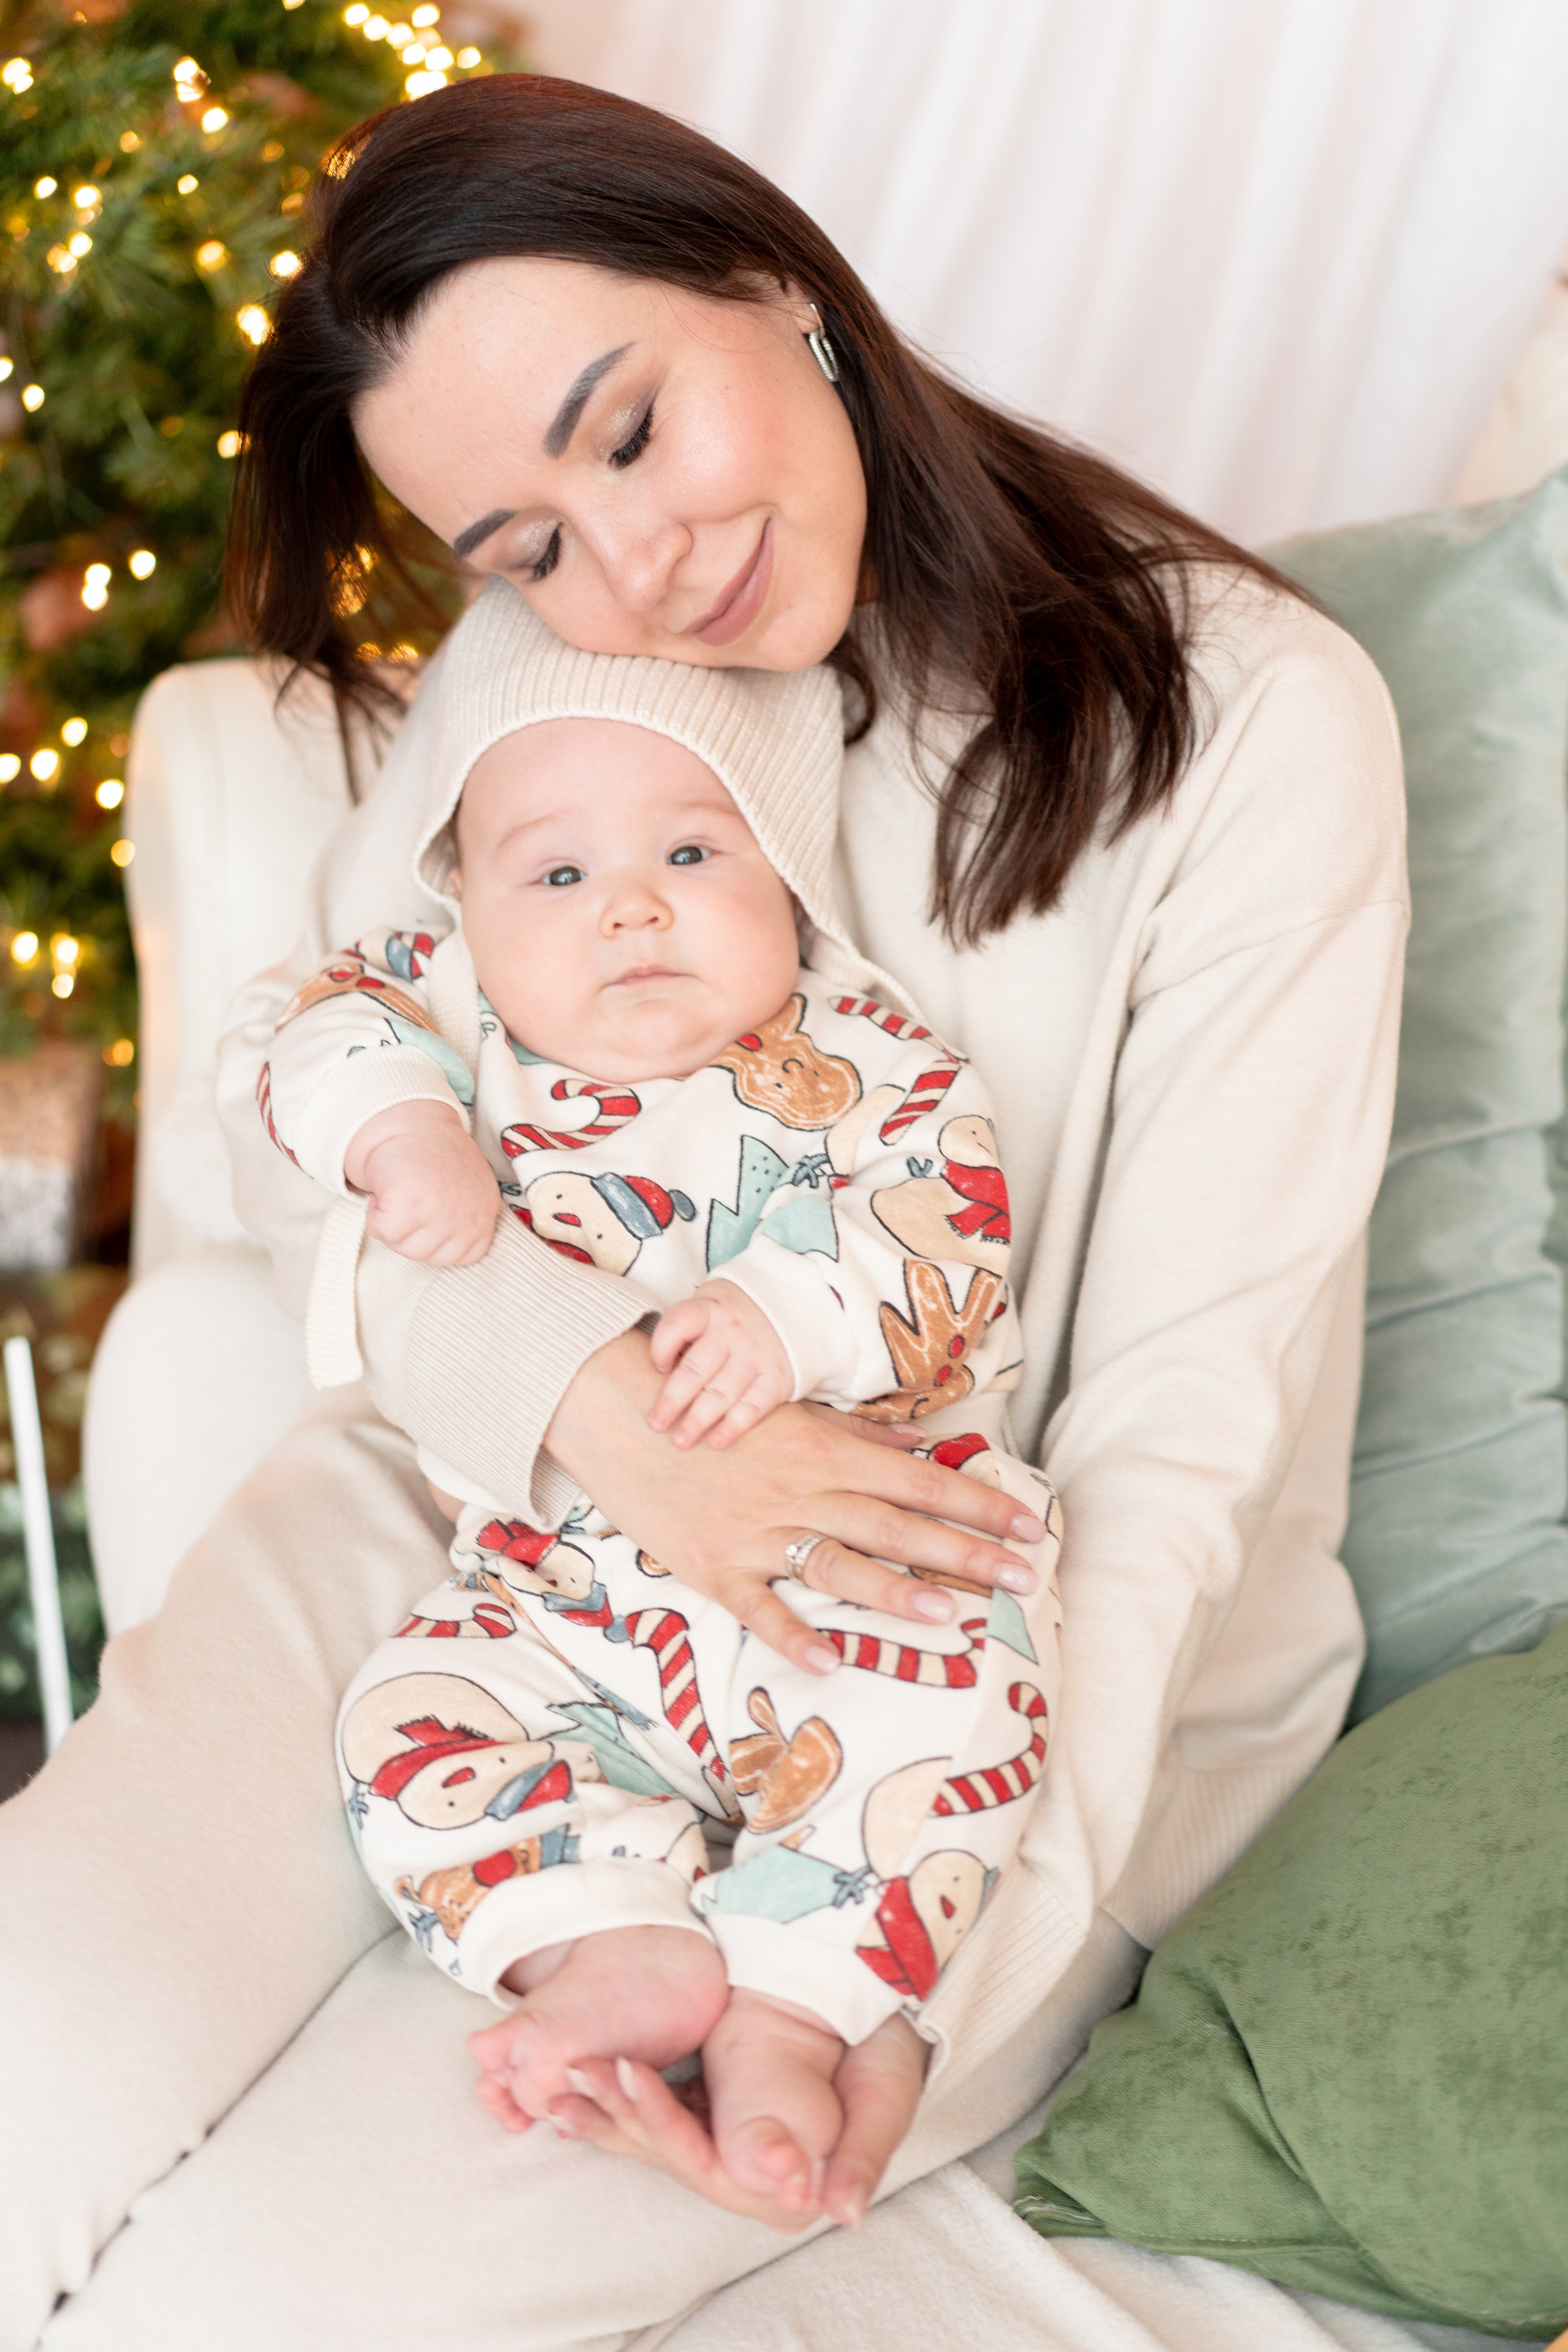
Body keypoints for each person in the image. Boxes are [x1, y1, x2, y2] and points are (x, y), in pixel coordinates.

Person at [0, 72, 1406, 2350]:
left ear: (774, 281)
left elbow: (1181, 1439)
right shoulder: (552, 665)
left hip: (938, 1658)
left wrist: (923, 1972)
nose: (625, 570)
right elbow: (318, 1098)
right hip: (471, 1545)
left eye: (630, 428)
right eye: (522, 545)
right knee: (19, 2078)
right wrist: (599, 1412)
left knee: (250, 2304)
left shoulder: (1248, 729)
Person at [260, 584, 1061, 2212]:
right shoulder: (449, 1011)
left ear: (786, 880)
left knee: (965, 1686)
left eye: (694, 857)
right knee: (406, 1719)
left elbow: (948, 1233)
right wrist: (401, 1135)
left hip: (846, 1568)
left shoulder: (862, 1053)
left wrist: (794, 1315)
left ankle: (793, 2008)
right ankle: (611, 1937)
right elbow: (319, 1033)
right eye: (557, 873)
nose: (631, 910)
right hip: (556, 1600)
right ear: (467, 909)